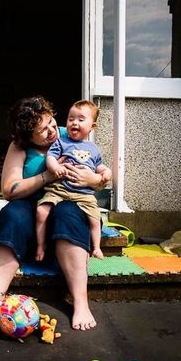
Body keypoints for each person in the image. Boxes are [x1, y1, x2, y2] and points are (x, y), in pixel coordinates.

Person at [0, 96, 109, 330]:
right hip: (31, 208)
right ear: (27, 137)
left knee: (69, 213)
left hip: (66, 203)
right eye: (42, 131)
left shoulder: (70, 134)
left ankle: (81, 302)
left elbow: (98, 170)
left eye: (52, 123)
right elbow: (9, 190)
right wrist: (47, 176)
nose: (52, 131)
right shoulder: (19, 146)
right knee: (12, 214)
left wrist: (95, 179)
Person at [35, 100, 112, 262]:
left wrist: (107, 172)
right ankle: (41, 245)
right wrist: (55, 167)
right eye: (71, 119)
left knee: (95, 219)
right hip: (59, 189)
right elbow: (51, 157)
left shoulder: (94, 149)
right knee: (41, 212)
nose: (74, 122)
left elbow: (99, 167)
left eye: (81, 119)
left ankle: (96, 247)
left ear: (92, 126)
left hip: (84, 194)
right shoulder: (61, 142)